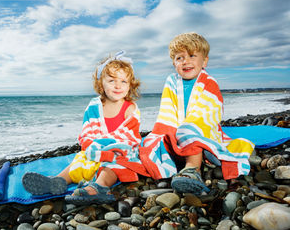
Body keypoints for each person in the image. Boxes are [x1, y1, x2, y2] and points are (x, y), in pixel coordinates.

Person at [22, 50, 146, 205]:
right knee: (79, 160)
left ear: (130, 85)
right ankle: (57, 181)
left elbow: (129, 137)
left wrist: (107, 149)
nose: (117, 86)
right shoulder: (95, 106)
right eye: (112, 80)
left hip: (118, 152)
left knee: (114, 165)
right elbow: (87, 131)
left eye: (123, 81)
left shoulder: (130, 108)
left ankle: (99, 187)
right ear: (101, 82)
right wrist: (93, 147)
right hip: (95, 150)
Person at [143, 32, 255, 195]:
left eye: (192, 55)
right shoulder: (171, 81)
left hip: (200, 128)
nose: (185, 61)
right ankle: (168, 167)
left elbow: (209, 111)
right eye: (179, 58)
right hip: (177, 127)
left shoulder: (209, 82)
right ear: (174, 63)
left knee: (189, 131)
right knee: (153, 140)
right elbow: (168, 109)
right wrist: (169, 131)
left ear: (205, 61)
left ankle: (192, 170)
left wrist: (186, 128)